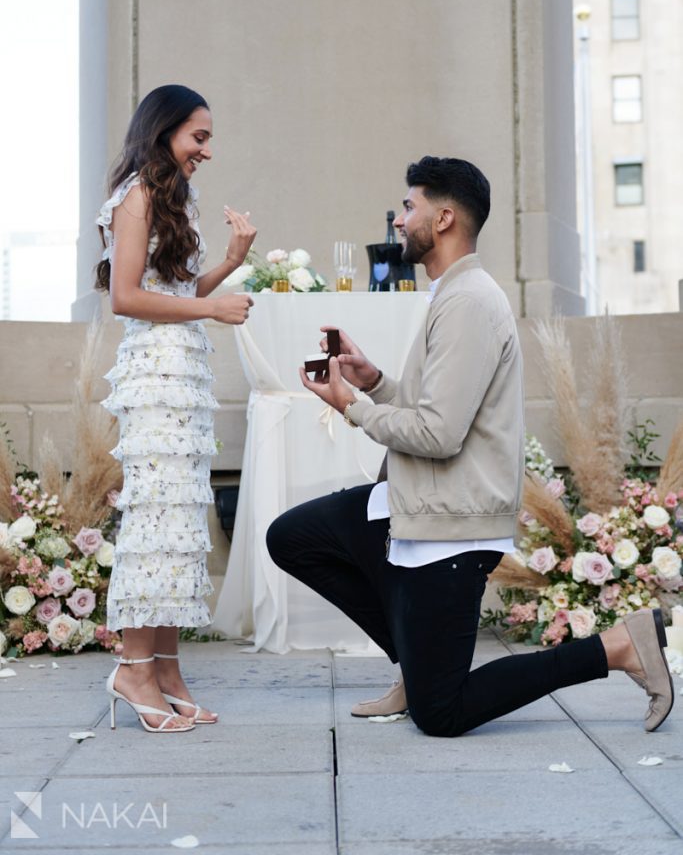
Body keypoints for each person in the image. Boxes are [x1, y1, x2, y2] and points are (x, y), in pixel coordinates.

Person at [266, 156, 673, 737]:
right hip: (414, 502)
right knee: (294, 537)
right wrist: (373, 381)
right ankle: (415, 659)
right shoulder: (454, 295)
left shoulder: (469, 303)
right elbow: (442, 405)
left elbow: (439, 433)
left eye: (410, 208)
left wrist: (351, 408)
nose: (401, 221)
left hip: (450, 526)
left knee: (443, 714)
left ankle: (615, 648)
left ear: (446, 217)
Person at [96, 84, 256, 733]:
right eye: (199, 136)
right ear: (163, 132)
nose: (206, 151)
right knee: (154, 525)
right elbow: (127, 298)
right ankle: (132, 667)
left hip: (182, 374)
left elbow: (177, 290)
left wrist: (227, 266)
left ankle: (164, 666)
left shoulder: (171, 198)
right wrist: (212, 307)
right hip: (154, 377)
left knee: (178, 524)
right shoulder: (135, 195)